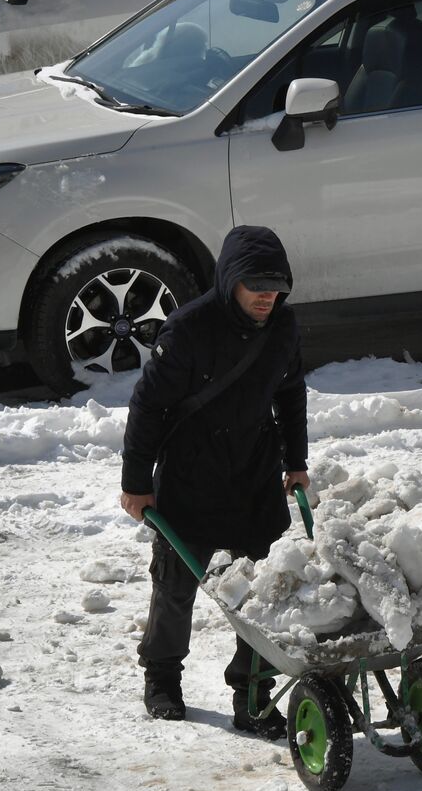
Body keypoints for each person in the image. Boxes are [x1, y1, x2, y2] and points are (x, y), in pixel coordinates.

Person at [119, 225, 309, 732]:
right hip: (191, 475)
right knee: (177, 584)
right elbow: (148, 406)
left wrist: (296, 461)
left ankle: (254, 692)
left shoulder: (283, 328)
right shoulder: (188, 330)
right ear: (230, 282)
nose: (268, 296)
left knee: (264, 590)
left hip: (254, 473)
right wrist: (137, 482)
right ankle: (162, 677)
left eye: (276, 286)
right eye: (256, 285)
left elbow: (291, 393)